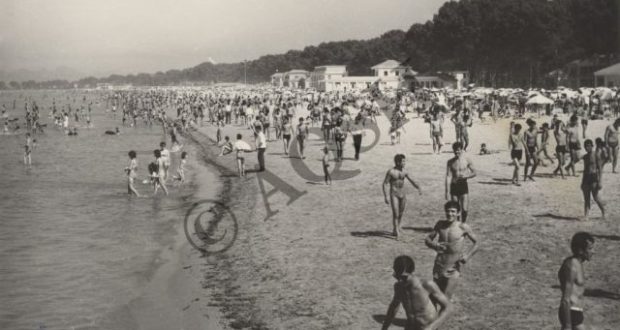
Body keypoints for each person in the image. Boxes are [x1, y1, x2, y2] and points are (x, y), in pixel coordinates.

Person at [381, 255, 453, 330]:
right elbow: (393, 308)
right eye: (398, 277)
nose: (400, 280)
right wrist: (384, 328)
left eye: (404, 277)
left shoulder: (426, 285)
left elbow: (448, 307)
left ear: (412, 272)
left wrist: (432, 327)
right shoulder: (399, 287)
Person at [425, 201, 479, 299]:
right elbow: (428, 239)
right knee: (434, 297)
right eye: (448, 211)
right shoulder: (440, 225)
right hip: (439, 266)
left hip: (453, 268)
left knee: (446, 298)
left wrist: (467, 255)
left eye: (453, 211)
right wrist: (435, 245)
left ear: (458, 213)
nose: (450, 214)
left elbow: (477, 243)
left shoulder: (463, 227)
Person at [558, 232, 595, 330]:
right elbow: (565, 299)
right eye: (590, 249)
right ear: (580, 251)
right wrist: (567, 325)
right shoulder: (571, 266)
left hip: (576, 312)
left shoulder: (578, 263)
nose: (593, 252)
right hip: (570, 313)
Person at [382, 154, 423, 239]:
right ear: (397, 162)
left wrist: (418, 187)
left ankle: (397, 227)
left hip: (403, 194)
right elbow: (385, 183)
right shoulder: (391, 172)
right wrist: (386, 196)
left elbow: (412, 180)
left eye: (404, 161)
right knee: (396, 213)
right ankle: (396, 231)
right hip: (394, 194)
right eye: (403, 161)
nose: (404, 163)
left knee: (400, 212)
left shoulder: (405, 171)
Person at [445, 142, 476, 222]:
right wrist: (447, 191)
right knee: (456, 208)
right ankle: (457, 224)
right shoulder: (450, 162)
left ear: (462, 150)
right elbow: (448, 176)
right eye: (455, 150)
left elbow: (474, 172)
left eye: (458, 150)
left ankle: (463, 223)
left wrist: (466, 176)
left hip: (463, 185)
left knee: (465, 209)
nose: (456, 152)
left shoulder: (467, 160)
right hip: (454, 186)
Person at [580, 139, 605, 220]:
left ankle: (603, 212)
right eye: (586, 146)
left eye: (588, 146)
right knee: (586, 198)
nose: (587, 148)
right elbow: (584, 169)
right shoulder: (585, 157)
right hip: (586, 177)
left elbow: (600, 168)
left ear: (592, 146)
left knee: (595, 197)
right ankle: (586, 215)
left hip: (594, 177)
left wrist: (600, 181)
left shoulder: (596, 155)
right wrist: (582, 182)